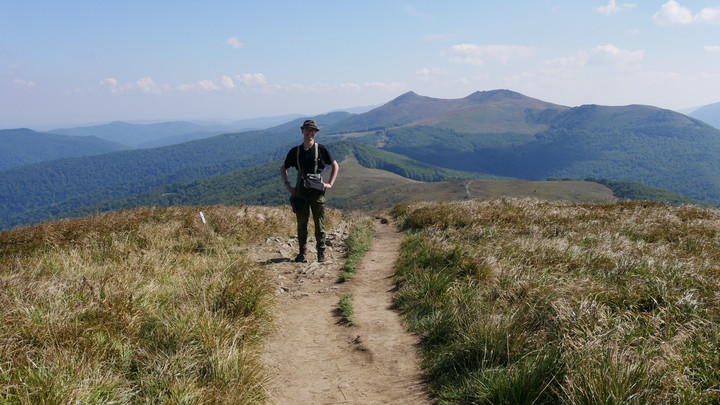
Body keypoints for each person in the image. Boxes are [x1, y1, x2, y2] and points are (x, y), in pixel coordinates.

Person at [280, 119, 339, 263]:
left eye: (312, 130)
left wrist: (330, 183)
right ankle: (302, 253)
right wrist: (288, 186)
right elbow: (283, 168)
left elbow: (335, 165)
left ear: (315, 133)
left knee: (320, 223)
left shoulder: (322, 149)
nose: (310, 133)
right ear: (302, 131)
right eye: (307, 130)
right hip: (300, 192)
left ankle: (321, 253)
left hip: (317, 191)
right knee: (302, 224)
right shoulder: (295, 151)